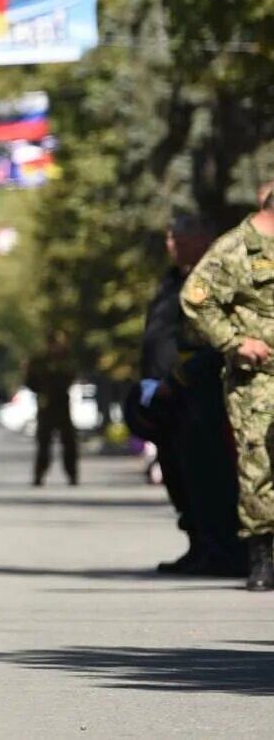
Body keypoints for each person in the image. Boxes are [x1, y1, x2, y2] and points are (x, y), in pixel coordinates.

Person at [181, 183, 274, 592]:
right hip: (258, 380)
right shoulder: (235, 248)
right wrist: (235, 343)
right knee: (258, 466)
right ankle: (261, 556)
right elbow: (196, 299)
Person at [138, 215, 241, 575]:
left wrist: (181, 377)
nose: (172, 243)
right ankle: (200, 544)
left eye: (181, 237)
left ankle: (225, 550)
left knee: (210, 476)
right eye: (170, 237)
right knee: (181, 474)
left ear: (205, 239)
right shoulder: (174, 280)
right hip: (172, 396)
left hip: (202, 392)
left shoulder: (218, 276)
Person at [25, 332, 80, 486]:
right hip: (45, 405)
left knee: (69, 443)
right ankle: (39, 475)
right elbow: (29, 380)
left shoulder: (66, 359)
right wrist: (41, 390)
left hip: (62, 403)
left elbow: (72, 375)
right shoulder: (39, 361)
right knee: (43, 443)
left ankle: (72, 475)